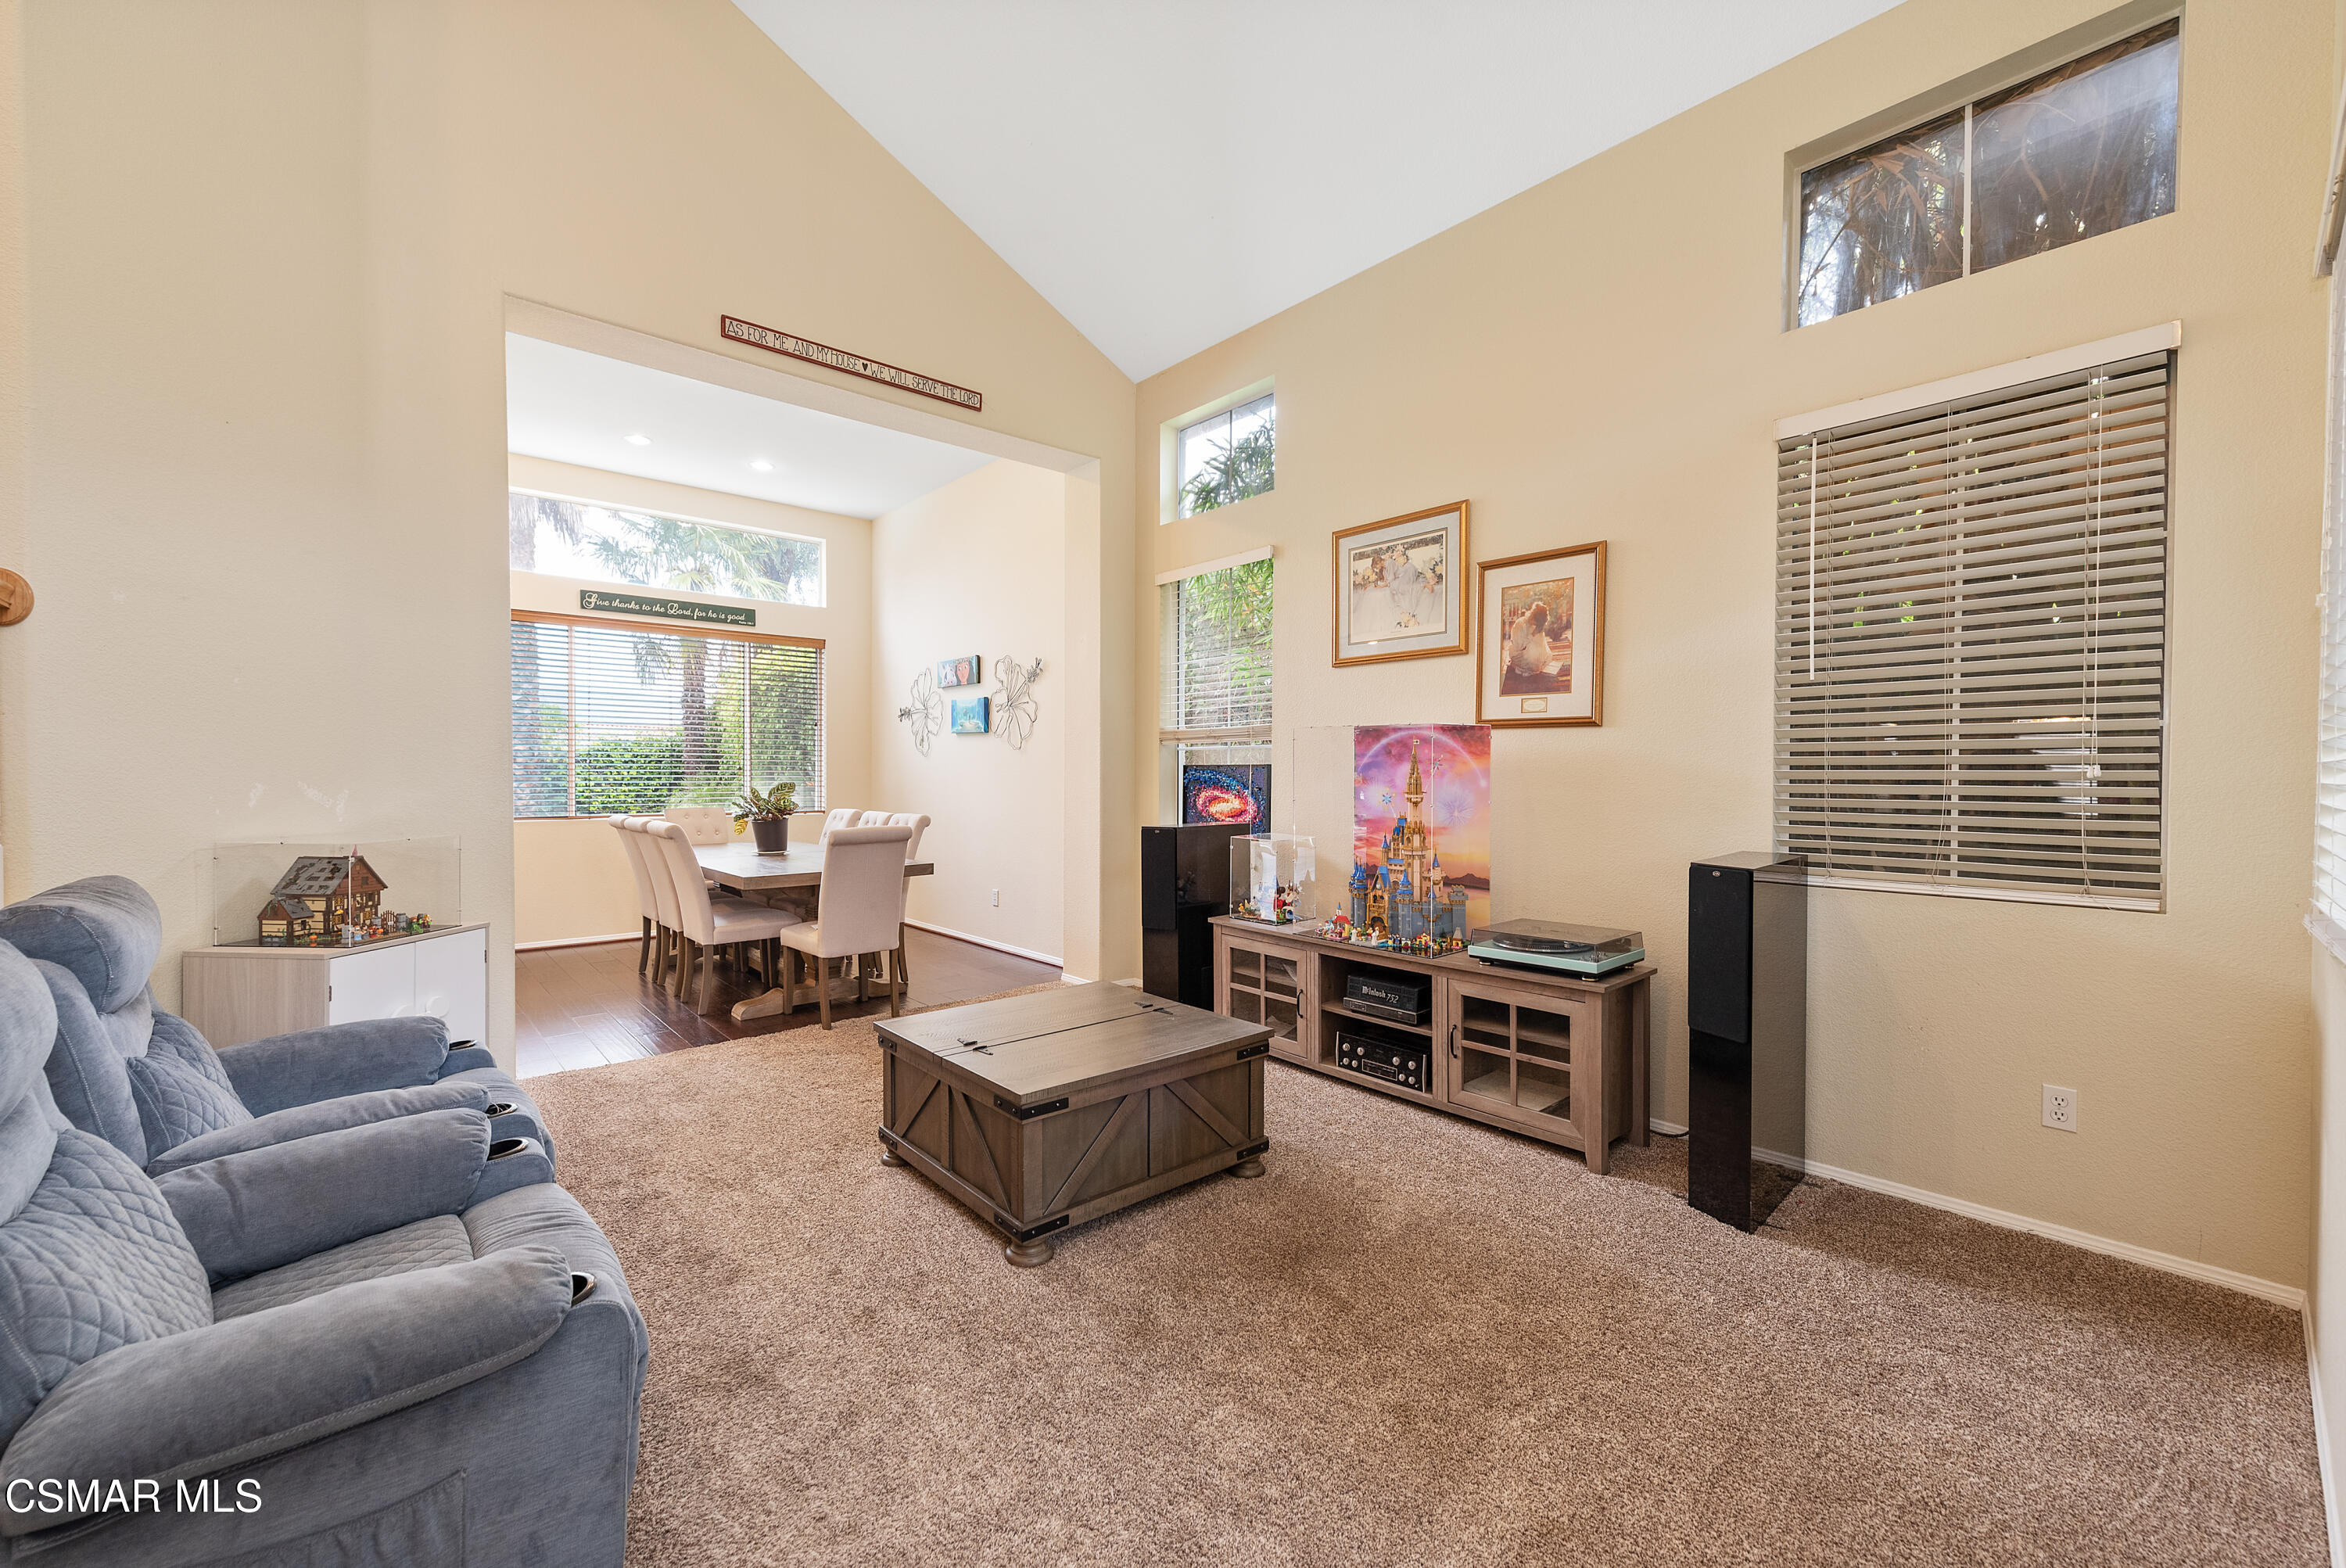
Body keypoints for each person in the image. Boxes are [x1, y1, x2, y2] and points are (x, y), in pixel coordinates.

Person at [1505, 601, 1554, 676]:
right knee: (1532, 649)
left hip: (1530, 656)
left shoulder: (1537, 626)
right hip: (1518, 653)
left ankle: (1529, 668)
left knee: (1539, 653)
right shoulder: (1520, 624)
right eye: (1535, 621)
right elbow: (1519, 646)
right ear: (1532, 615)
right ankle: (1523, 667)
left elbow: (1542, 646)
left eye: (1537, 624)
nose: (1535, 624)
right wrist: (1532, 635)